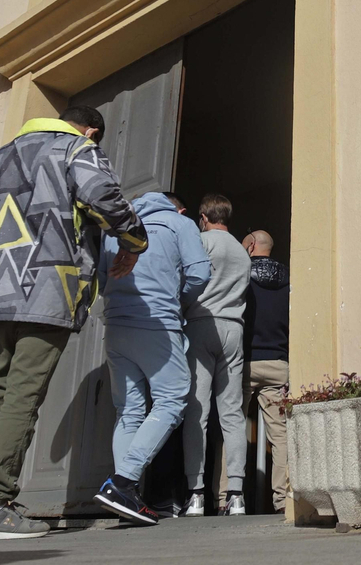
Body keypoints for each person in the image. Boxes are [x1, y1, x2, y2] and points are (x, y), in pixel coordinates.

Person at [0, 105, 148, 541]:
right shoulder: (76, 148)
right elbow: (102, 195)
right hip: (50, 287)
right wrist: (134, 240)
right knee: (23, 395)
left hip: (0, 291)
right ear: (91, 130)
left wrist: (8, 246)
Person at [91, 191, 212, 526]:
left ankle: (125, 495)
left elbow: (101, 278)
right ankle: (123, 483)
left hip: (116, 326)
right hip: (157, 323)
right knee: (172, 400)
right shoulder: (178, 223)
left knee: (129, 412)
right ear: (177, 205)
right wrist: (177, 298)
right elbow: (200, 273)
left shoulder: (116, 228)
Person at [182, 193, 252, 516]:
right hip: (233, 328)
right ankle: (235, 493)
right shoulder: (242, 251)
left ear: (203, 216)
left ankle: (196, 494)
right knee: (233, 412)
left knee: (197, 409)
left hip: (201, 323)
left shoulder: (200, 241)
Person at [240, 229, 290, 512]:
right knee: (280, 435)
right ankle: (283, 500)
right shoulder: (289, 278)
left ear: (250, 246)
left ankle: (227, 497)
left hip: (246, 363)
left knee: (232, 427)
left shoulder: (242, 275)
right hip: (278, 365)